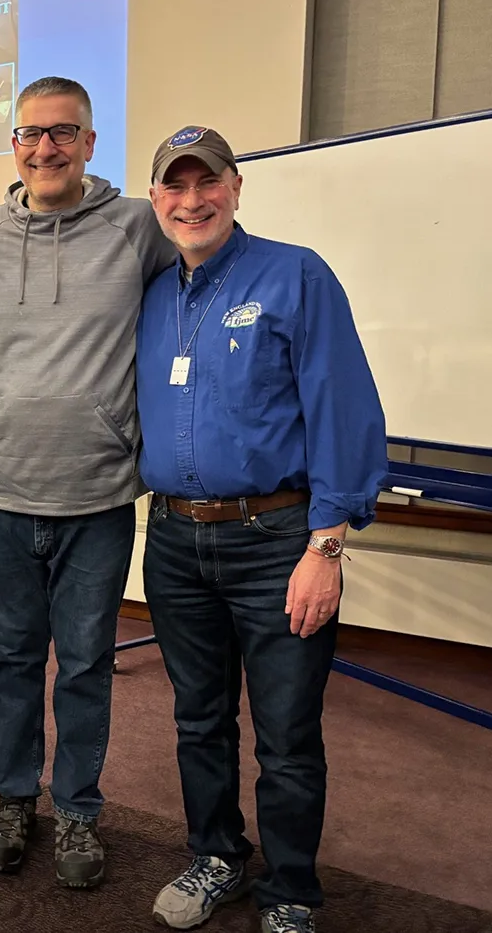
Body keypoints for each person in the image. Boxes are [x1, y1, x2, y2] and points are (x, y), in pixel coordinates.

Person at [137, 126, 387, 933]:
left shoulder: (295, 274)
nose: (192, 200)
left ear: (235, 187)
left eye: (207, 182)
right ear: (155, 202)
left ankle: (289, 891)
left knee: (286, 732)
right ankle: (217, 853)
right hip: (175, 540)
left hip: (280, 540)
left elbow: (344, 412)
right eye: (174, 187)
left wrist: (327, 547)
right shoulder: (152, 293)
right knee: (197, 718)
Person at [0, 76, 176, 888]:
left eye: (63, 133)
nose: (44, 148)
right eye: (29, 134)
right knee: (13, 659)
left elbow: (209, 267)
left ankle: (78, 809)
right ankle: (14, 797)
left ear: (89, 142)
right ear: (13, 145)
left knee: (84, 663)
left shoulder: (135, 228)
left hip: (98, 499)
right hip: (1, 494)